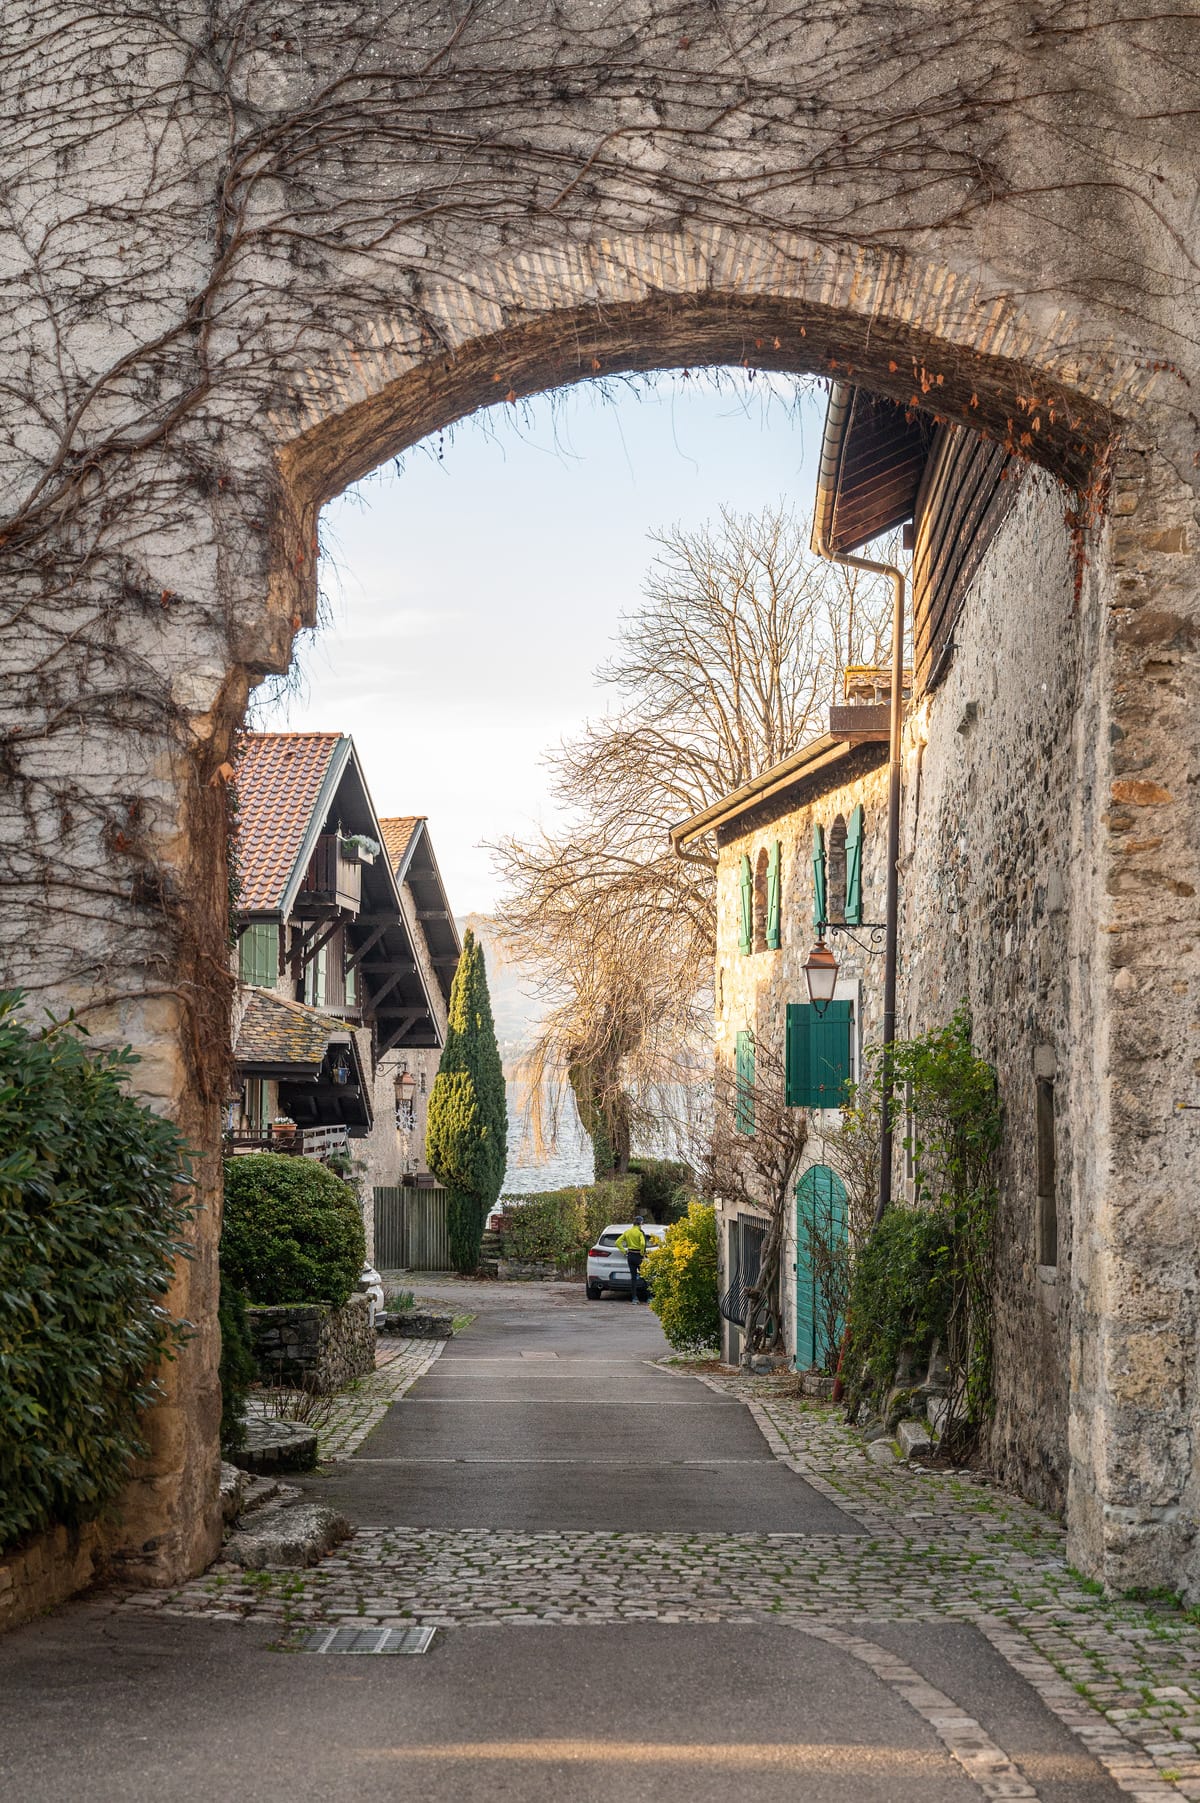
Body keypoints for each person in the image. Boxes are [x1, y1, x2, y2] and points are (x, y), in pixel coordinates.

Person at [616, 1215, 648, 1304]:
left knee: (633, 1278)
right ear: (641, 1223)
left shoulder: (627, 1232)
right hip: (638, 1256)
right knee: (644, 1276)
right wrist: (642, 1252)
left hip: (630, 1255)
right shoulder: (640, 1233)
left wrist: (624, 1251)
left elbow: (617, 1242)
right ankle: (648, 1297)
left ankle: (634, 1298)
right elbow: (642, 1243)